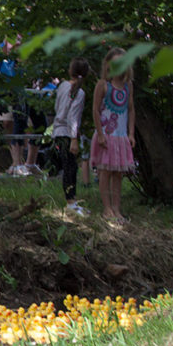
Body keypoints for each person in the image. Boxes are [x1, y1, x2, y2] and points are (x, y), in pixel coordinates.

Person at [90, 48, 136, 223]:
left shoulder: (128, 86)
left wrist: (131, 133)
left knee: (118, 174)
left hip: (121, 136)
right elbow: (95, 109)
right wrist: (100, 134)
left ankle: (116, 208)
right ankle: (107, 208)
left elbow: (130, 109)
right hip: (106, 135)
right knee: (105, 172)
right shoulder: (103, 85)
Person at [52, 58, 91, 215]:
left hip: (58, 131)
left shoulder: (62, 86)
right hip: (68, 134)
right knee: (70, 168)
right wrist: (74, 138)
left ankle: (72, 201)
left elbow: (56, 107)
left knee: (71, 167)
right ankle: (70, 203)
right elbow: (73, 117)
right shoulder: (79, 93)